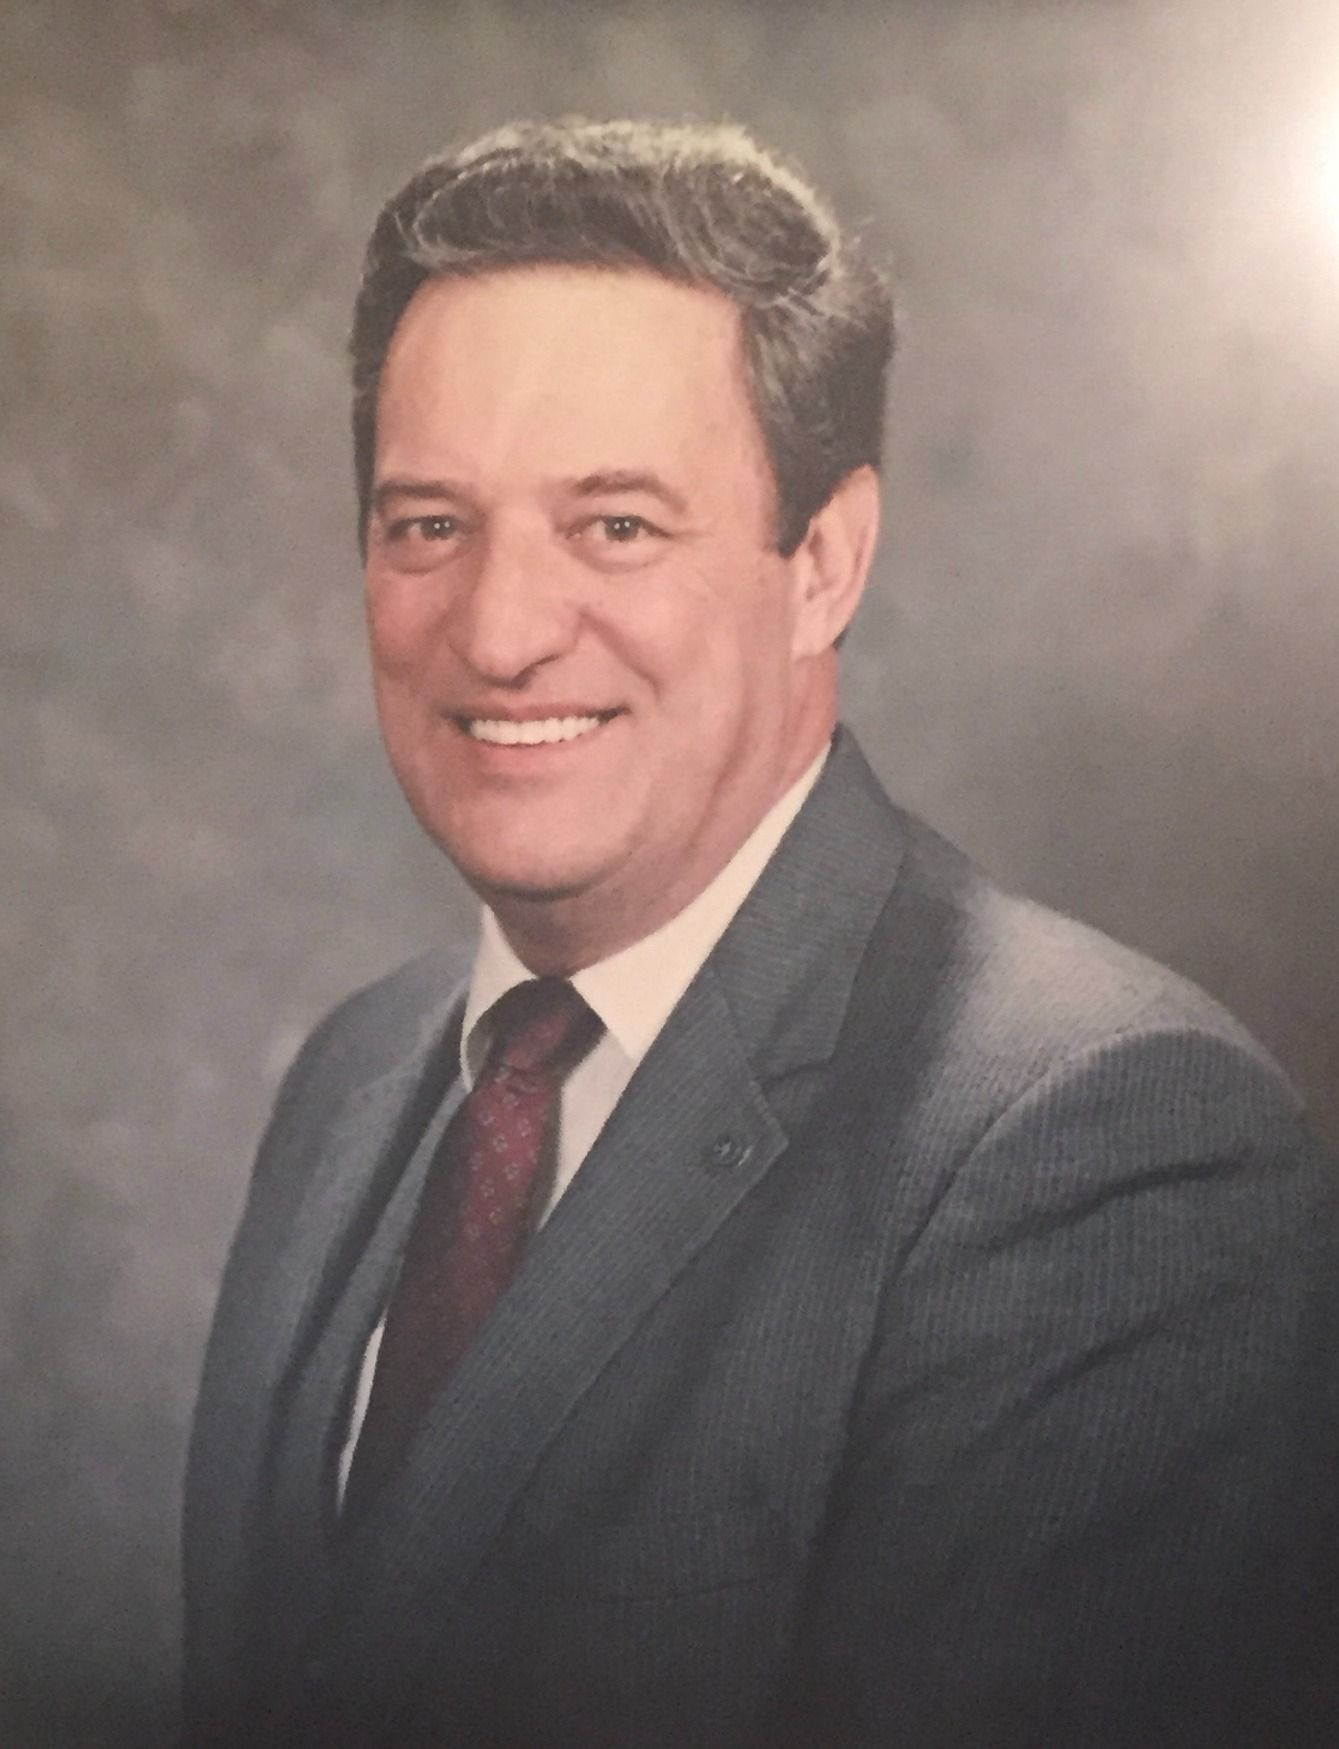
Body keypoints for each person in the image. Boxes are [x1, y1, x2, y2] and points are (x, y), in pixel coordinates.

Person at [183, 119, 1337, 1748]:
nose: (501, 630)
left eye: (618, 526)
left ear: (828, 562)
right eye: (429, 523)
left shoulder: (1102, 1142)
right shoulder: (358, 1078)